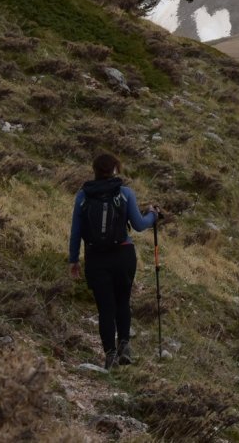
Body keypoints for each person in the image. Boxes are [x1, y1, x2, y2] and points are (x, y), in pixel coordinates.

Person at [68, 152, 160, 370]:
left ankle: (110, 355)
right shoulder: (125, 193)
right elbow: (138, 224)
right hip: (123, 255)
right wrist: (153, 215)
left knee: (105, 308)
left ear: (95, 170)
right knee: (122, 301)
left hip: (96, 258)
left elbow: (75, 232)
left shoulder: (83, 196)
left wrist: (74, 260)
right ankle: (125, 345)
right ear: (115, 170)